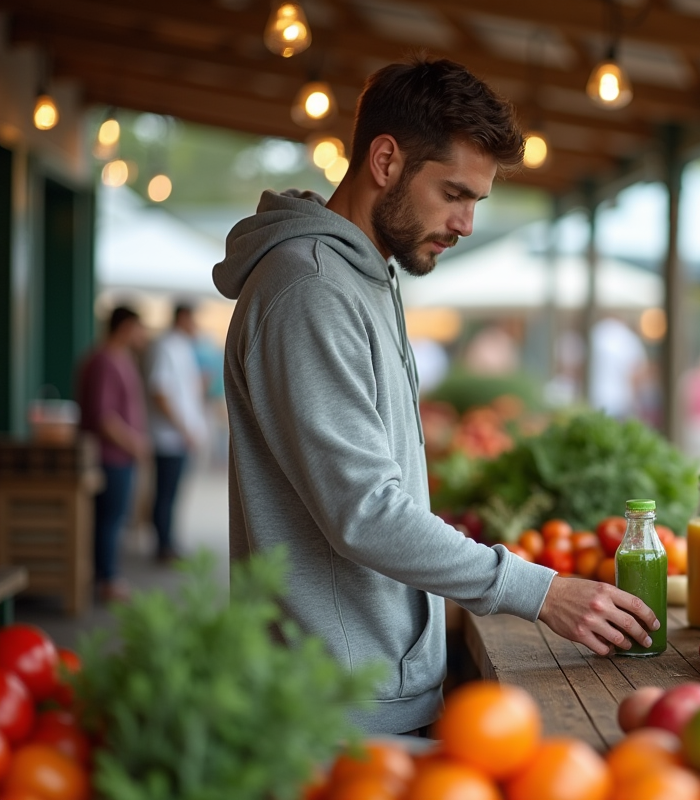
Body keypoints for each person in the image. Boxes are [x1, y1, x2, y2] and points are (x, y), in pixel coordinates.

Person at [213, 58, 658, 736]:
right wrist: (541, 590)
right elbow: (364, 511)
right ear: (385, 161)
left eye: (477, 200)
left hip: (369, 685)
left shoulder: (364, 275)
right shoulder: (308, 291)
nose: (467, 223)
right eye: (455, 193)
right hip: (332, 707)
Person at [76, 306, 148, 602]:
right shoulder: (105, 360)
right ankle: (106, 579)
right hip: (110, 456)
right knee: (109, 519)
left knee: (115, 518)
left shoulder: (122, 358)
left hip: (122, 456)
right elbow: (105, 417)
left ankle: (107, 574)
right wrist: (135, 443)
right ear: (126, 326)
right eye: (139, 328)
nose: (142, 335)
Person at [147, 304, 208, 563]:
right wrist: (183, 428)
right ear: (183, 317)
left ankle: (169, 541)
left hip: (181, 436)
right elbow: (160, 392)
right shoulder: (165, 346)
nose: (196, 325)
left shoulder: (182, 346)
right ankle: (163, 546)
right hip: (170, 437)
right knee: (166, 492)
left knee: (173, 492)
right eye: (193, 319)